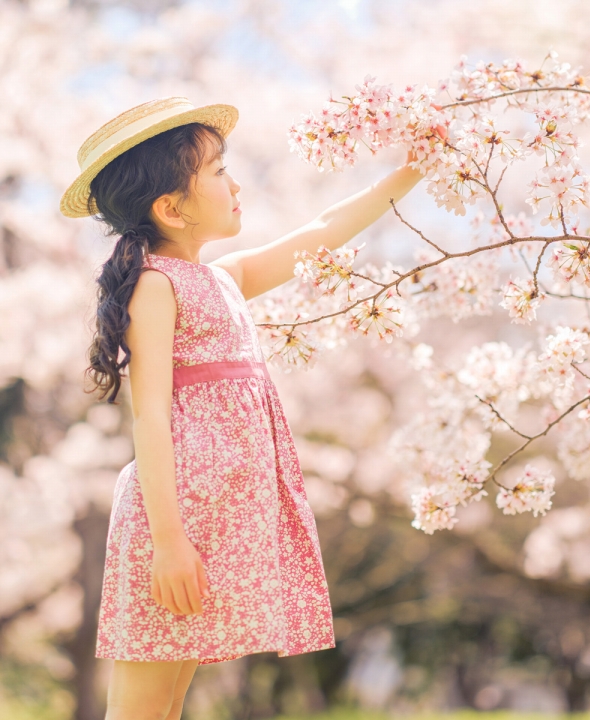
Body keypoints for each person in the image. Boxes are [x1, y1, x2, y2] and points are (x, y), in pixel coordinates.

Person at [60, 96, 428, 720]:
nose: (234, 183)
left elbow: (323, 231)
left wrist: (414, 169)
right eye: (218, 171)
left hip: (218, 515)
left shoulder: (225, 278)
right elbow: (149, 417)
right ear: (171, 208)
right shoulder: (155, 287)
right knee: (142, 709)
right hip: (172, 520)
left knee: (168, 706)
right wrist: (170, 544)